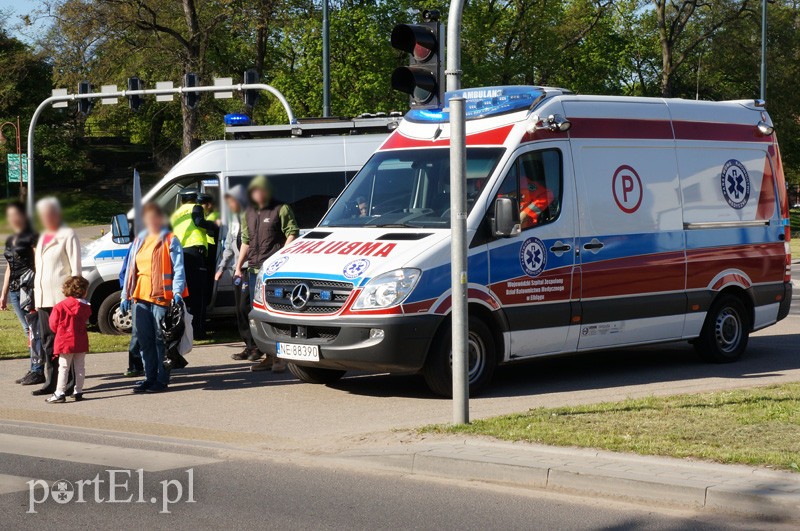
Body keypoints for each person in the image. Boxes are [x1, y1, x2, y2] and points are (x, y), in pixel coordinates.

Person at [234, 175, 299, 372]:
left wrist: (280, 258)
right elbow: (246, 239)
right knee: (258, 314)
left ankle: (280, 357)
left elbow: (292, 232)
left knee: (275, 314)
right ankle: (269, 356)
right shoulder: (249, 212)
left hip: (273, 271)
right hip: (254, 269)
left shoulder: (281, 208)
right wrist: (238, 266)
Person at [121, 202, 186, 393]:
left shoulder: (170, 239)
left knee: (161, 341)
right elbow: (130, 269)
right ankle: (149, 378)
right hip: (139, 297)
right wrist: (125, 295)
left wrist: (177, 293)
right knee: (145, 340)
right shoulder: (139, 240)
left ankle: (162, 379)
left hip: (161, 298)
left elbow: (179, 269)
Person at [32, 197, 81, 397]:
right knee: (47, 341)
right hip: (43, 297)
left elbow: (76, 268)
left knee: (65, 342)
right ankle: (51, 381)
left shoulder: (67, 234)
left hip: (62, 300)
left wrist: (76, 298)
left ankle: (69, 383)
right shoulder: (43, 235)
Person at [214, 185, 260, 361]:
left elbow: (251, 244)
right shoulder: (234, 220)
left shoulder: (251, 216)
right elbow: (229, 246)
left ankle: (257, 346)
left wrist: (241, 266)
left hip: (249, 268)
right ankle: (248, 345)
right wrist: (221, 268)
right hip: (236, 270)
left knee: (246, 306)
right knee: (239, 310)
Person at [1, 202, 41, 385]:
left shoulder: (32, 236)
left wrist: (39, 288)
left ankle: (38, 370)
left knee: (34, 329)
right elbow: (9, 268)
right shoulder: (10, 239)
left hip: (29, 289)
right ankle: (35, 366)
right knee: (28, 330)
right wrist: (4, 294)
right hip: (15, 291)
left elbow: (39, 262)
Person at [169, 189, 215, 339]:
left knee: (184, 294)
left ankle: (182, 329)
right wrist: (214, 226)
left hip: (179, 254)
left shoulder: (175, 214)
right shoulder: (196, 208)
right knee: (199, 295)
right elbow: (199, 222)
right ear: (195, 199)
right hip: (195, 254)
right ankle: (199, 331)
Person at [45, 276, 91, 403]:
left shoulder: (60, 306)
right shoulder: (85, 306)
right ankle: (78, 391)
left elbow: (53, 324)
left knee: (64, 367)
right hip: (80, 339)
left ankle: (60, 392)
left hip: (65, 340)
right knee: (80, 367)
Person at [198, 192, 220, 306]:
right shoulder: (206, 215)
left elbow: (212, 230)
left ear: (209, 205)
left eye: (202, 204)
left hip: (211, 251)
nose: (199, 206)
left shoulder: (213, 216)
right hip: (208, 250)